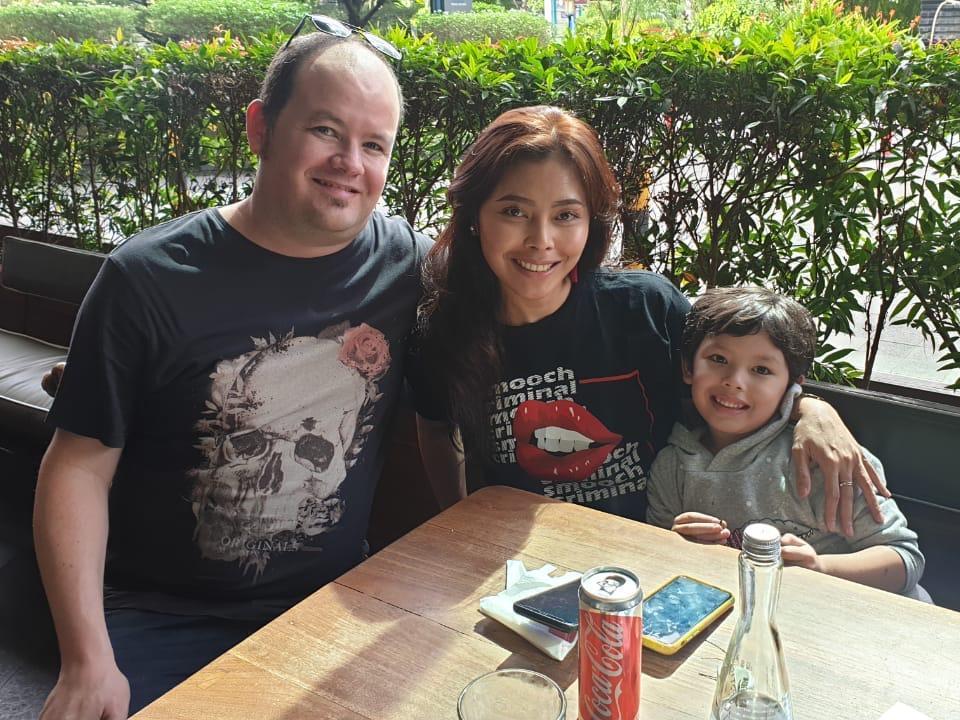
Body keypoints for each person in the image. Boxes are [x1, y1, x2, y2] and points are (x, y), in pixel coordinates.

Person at [34, 24, 431, 719]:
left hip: (331, 606)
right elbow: (75, 469)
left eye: (374, 146)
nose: (349, 162)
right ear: (260, 128)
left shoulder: (405, 264)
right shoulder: (148, 278)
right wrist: (85, 660)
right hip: (158, 616)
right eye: (325, 130)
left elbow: (525, 269)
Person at [412, 105, 888, 530]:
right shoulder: (448, 330)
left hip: (656, 550)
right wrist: (454, 525)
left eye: (565, 215)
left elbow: (729, 375)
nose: (541, 240)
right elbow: (435, 428)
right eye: (515, 211)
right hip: (524, 564)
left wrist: (810, 407)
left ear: (590, 222)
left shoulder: (646, 307)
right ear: (475, 216)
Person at [646, 287, 926, 598]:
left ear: (792, 385)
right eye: (718, 358)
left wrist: (819, 568)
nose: (735, 380)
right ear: (688, 367)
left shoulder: (824, 457)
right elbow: (659, 557)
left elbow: (904, 560)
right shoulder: (672, 466)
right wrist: (677, 546)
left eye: (761, 370)